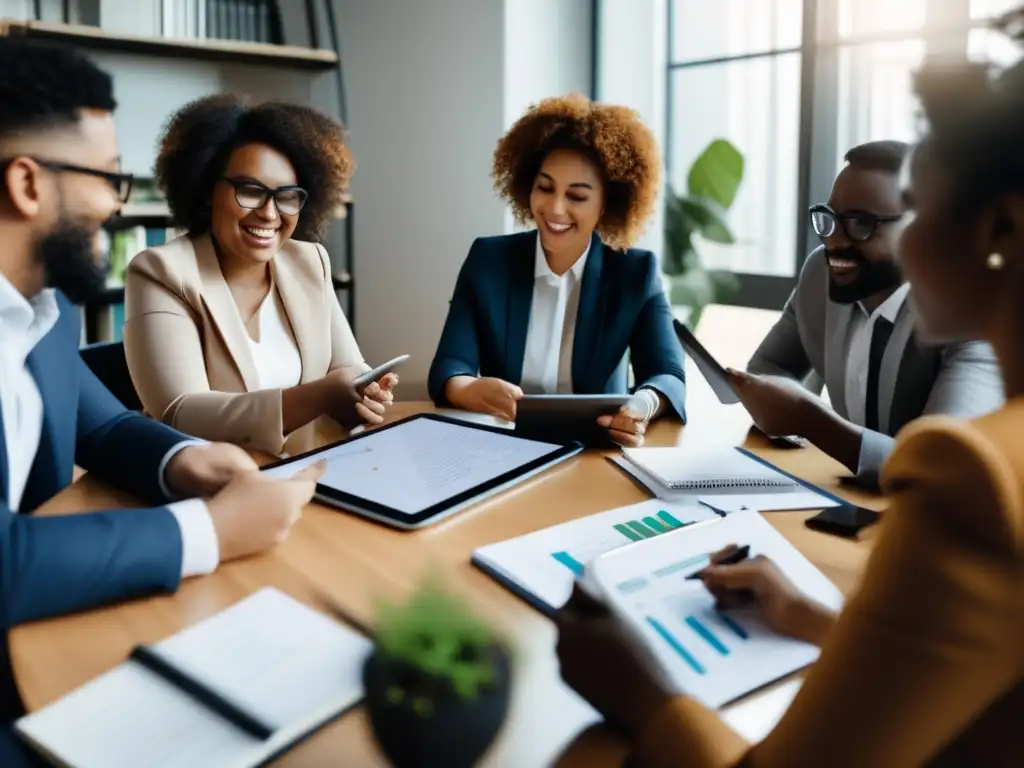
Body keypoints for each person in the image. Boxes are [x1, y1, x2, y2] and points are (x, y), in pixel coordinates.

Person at [554, 29, 1024, 768]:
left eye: (922, 208)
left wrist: (644, 691)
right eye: (831, 220)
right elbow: (968, 671)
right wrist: (808, 615)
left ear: (998, 229)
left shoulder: (976, 482)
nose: (839, 240)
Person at [0, 38, 325, 764]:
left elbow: (108, 424)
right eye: (109, 178)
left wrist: (190, 462)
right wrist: (209, 531)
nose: (117, 205)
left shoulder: (40, 308)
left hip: (48, 627)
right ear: (28, 185)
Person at [124, 94, 396, 456]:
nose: (270, 213)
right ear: (207, 191)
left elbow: (345, 365)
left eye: (287, 196)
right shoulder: (161, 272)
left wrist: (365, 392)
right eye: (251, 191)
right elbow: (180, 413)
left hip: (310, 473)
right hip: (213, 488)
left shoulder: (309, 261)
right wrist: (321, 394)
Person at [735, 140, 1003, 488]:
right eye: (830, 219)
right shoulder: (821, 274)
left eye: (861, 223)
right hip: (843, 501)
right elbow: (768, 369)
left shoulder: (969, 308)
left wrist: (812, 422)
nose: (834, 242)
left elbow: (938, 464)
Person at [427, 94, 686, 447]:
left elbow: (667, 374)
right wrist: (469, 389)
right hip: (503, 447)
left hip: (596, 453)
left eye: (577, 196)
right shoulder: (488, 260)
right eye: (545, 188)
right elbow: (450, 365)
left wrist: (641, 406)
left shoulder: (635, 273)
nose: (555, 208)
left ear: (607, 204)